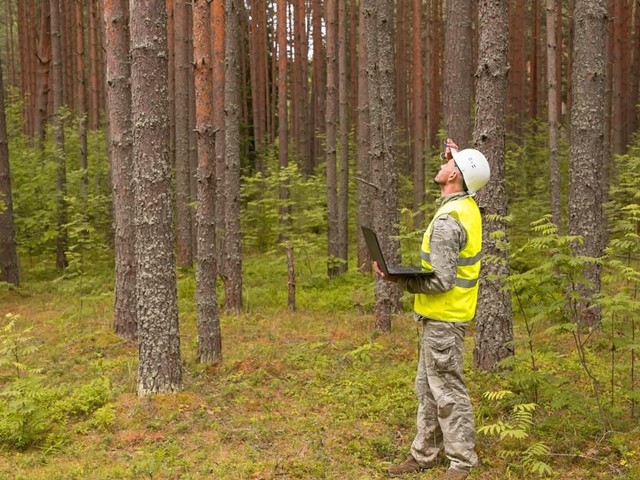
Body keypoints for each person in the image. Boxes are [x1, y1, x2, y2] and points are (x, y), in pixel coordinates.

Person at [375, 139, 490, 480]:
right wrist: (456, 154)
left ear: (454, 174)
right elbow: (466, 171)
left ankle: (462, 462)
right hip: (445, 317)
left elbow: (441, 281)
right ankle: (424, 454)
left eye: (448, 163)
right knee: (428, 388)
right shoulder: (465, 206)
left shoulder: (448, 221)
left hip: (444, 317)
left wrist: (400, 281)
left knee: (447, 390)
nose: (440, 165)